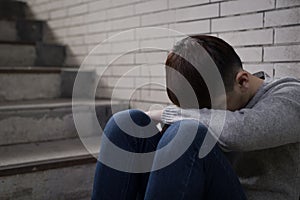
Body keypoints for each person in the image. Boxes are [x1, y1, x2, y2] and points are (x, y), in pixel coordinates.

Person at [91, 35, 300, 200]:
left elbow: (242, 131)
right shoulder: (222, 93)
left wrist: (167, 114)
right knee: (126, 123)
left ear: (243, 81)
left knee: (188, 131)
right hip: (197, 186)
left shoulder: (290, 95)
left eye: (211, 110)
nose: (203, 115)